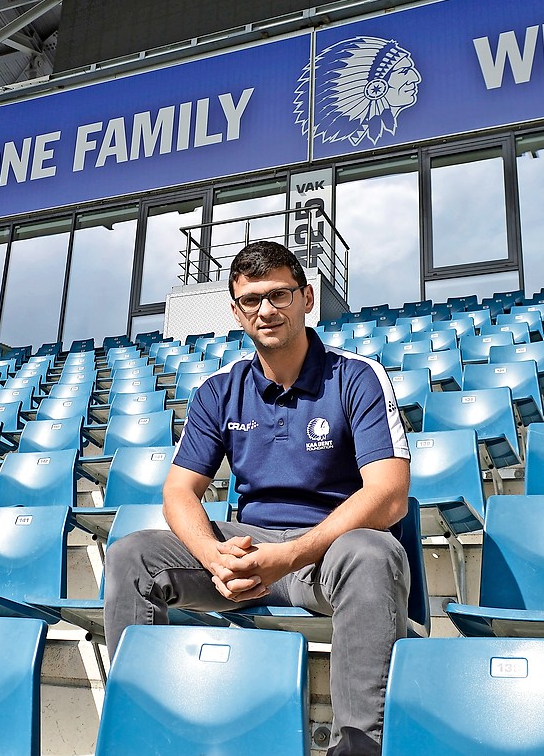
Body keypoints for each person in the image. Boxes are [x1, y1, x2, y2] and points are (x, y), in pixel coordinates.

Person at [103, 240, 411, 756]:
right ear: (235, 311)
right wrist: (211, 555)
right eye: (251, 300)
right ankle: (143, 737)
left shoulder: (356, 375)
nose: (265, 310)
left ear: (307, 298)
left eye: (279, 295)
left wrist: (290, 555)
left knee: (373, 552)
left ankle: (358, 748)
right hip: (248, 554)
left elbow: (389, 495)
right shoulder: (219, 389)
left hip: (327, 552)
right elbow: (179, 490)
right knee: (131, 555)